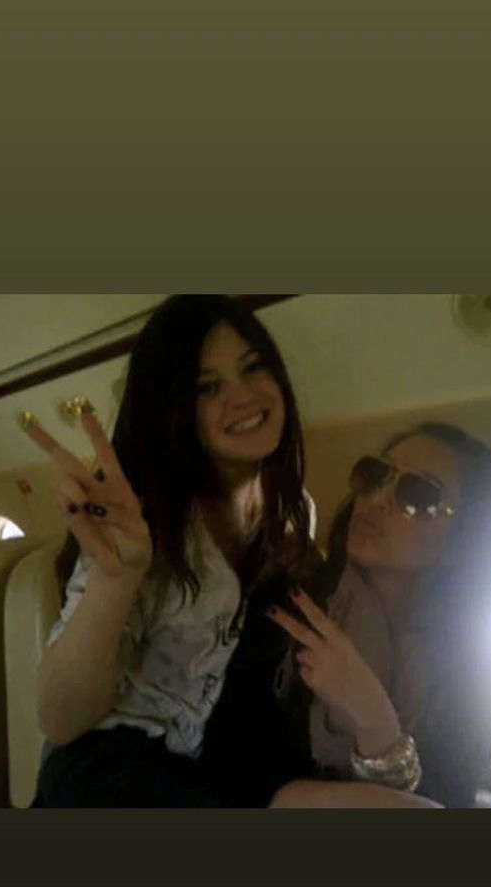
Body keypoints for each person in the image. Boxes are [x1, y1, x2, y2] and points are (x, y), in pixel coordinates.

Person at [29, 296, 314, 807]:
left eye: (253, 367)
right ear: (173, 409)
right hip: (111, 762)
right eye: (207, 387)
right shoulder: (144, 519)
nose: (243, 397)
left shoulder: (294, 512)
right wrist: (115, 581)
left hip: (219, 756)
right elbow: (59, 720)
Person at [267, 422, 491, 809]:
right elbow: (236, 767)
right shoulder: (296, 602)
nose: (379, 498)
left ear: (461, 542)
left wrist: (373, 716)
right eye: (377, 474)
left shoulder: (483, 671)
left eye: (418, 494)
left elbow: (447, 801)